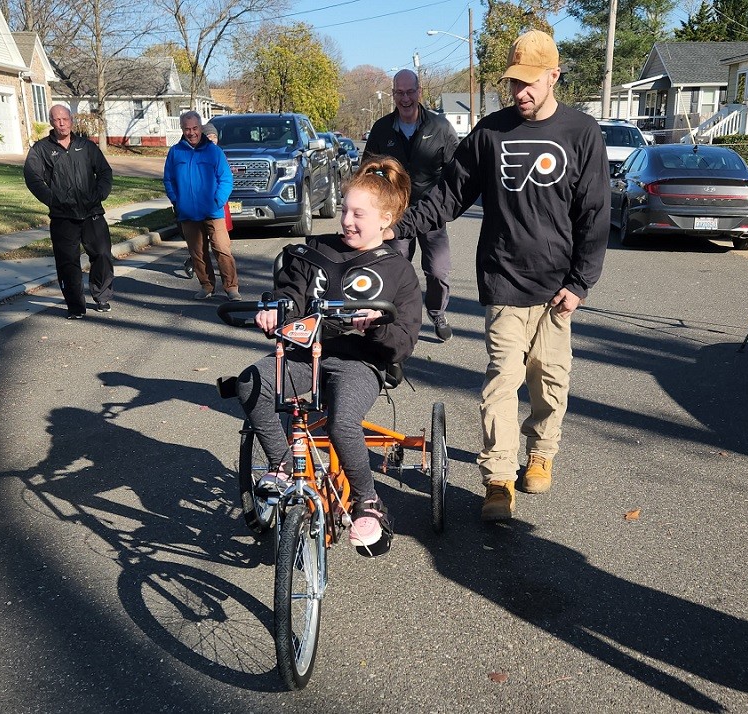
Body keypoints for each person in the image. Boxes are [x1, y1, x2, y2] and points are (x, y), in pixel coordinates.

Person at [390, 30, 610, 521]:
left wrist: (579, 283)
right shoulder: (490, 133)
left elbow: (594, 214)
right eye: (514, 84)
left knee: (550, 384)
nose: (521, 93)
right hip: (504, 282)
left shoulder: (582, 133)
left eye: (531, 83)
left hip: (557, 289)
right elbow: (448, 195)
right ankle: (498, 479)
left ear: (555, 76)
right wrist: (395, 225)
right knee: (500, 385)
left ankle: (541, 453)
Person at [236, 156, 422, 556]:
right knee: (251, 382)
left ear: (385, 219)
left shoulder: (399, 272)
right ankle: (284, 464)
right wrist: (275, 308)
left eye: (359, 214)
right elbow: (290, 293)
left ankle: (368, 500)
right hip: (306, 356)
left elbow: (404, 338)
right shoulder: (314, 253)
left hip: (360, 362)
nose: (347, 221)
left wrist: (376, 323)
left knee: (342, 423)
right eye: (344, 211)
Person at [364, 69, 459, 342]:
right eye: (399, 93)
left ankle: (437, 312)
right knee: (395, 266)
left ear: (419, 92)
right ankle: (399, 319)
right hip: (394, 214)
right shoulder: (382, 129)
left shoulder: (439, 127)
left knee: (438, 270)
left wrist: (445, 202)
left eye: (410, 92)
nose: (405, 98)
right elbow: (368, 170)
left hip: (431, 212)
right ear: (393, 94)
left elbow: (456, 172)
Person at [23, 105, 114, 319]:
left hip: (92, 212)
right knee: (67, 262)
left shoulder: (86, 146)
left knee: (102, 254)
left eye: (65, 118)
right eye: (57, 119)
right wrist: (52, 200)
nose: (62, 123)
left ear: (71, 120)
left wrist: (100, 193)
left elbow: (104, 172)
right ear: (51, 122)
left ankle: (101, 296)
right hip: (63, 217)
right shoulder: (41, 149)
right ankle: (75, 306)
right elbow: (33, 178)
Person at [163, 110, 240, 301]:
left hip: (213, 211)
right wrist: (177, 201)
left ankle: (231, 288)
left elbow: (226, 179)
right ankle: (206, 286)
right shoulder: (175, 152)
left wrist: (217, 200)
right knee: (197, 253)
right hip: (187, 213)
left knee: (222, 248)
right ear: (182, 129)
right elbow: (168, 179)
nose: (191, 133)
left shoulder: (214, 152)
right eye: (187, 129)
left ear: (200, 128)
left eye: (195, 128)